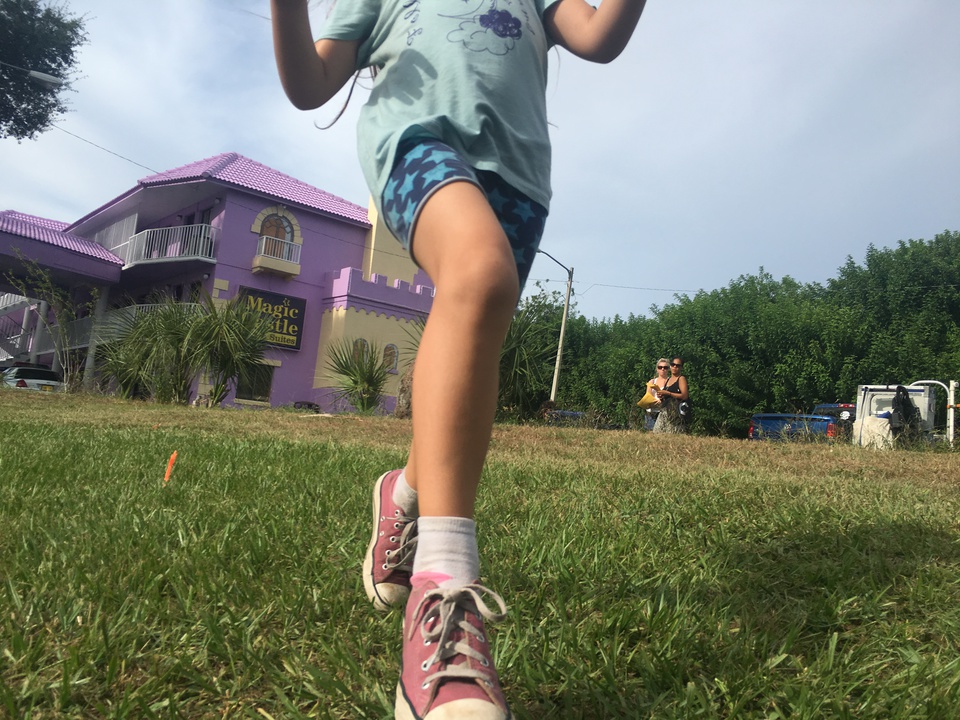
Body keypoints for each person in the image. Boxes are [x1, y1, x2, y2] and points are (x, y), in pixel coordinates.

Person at [272, 1, 647, 717]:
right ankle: (441, 592)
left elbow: (598, 37)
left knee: (474, 325)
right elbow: (311, 85)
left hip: (520, 176)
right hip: (416, 143)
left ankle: (405, 492)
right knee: (480, 274)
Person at [653, 356, 689, 433]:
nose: (675, 367)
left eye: (677, 365)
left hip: (675, 413)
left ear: (681, 367)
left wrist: (668, 393)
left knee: (672, 434)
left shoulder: (681, 379)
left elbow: (685, 396)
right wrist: (662, 396)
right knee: (657, 433)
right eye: (673, 364)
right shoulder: (668, 379)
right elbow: (667, 397)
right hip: (665, 411)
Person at [644, 357, 671, 430]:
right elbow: (648, 396)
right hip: (651, 412)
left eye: (665, 367)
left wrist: (662, 401)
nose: (662, 369)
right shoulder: (652, 381)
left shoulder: (671, 382)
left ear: (668, 369)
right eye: (660, 367)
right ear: (657, 369)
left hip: (664, 412)